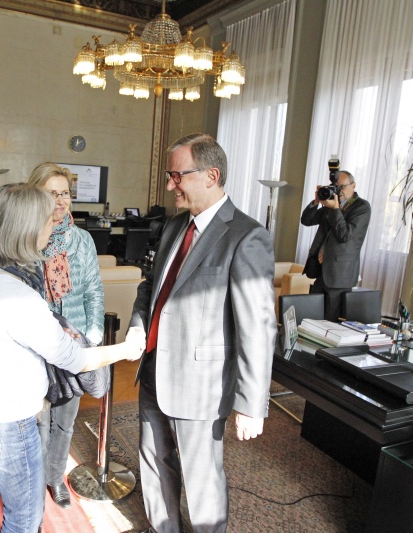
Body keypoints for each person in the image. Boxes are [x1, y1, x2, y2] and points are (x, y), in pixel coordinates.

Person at [0, 184, 144, 533]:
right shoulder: (15, 295)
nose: (54, 223)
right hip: (8, 421)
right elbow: (73, 359)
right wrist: (126, 350)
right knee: (25, 519)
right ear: (24, 230)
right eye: (47, 220)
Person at [128, 133, 277, 533]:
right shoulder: (175, 226)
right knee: (155, 465)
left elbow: (258, 328)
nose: (170, 184)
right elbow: (151, 287)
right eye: (169, 175)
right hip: (154, 370)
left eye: (178, 175)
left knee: (201, 481)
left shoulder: (247, 236)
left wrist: (251, 403)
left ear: (211, 175)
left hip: (200, 385)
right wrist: (137, 330)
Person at [26, 163, 104, 509]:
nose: (60, 201)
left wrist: (93, 335)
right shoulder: (26, 238)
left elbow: (93, 291)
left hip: (74, 345)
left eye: (65, 193)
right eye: (52, 193)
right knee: (39, 418)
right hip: (37, 343)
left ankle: (54, 477)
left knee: (66, 422)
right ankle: (33, 479)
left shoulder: (82, 239)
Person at [301, 170, 371, 322]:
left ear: (353, 186)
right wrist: (316, 201)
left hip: (340, 275)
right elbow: (306, 220)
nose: (339, 191)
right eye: (336, 187)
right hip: (321, 270)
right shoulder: (330, 204)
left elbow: (344, 235)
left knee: (329, 323)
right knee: (311, 319)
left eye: (342, 187)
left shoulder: (362, 207)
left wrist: (335, 209)